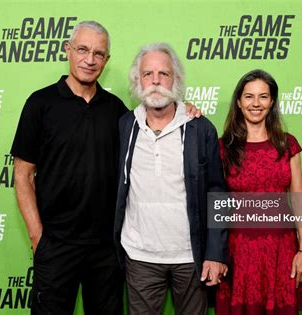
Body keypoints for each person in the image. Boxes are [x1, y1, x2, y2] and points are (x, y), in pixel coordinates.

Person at [11, 21, 201, 315]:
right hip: (56, 245)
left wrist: (186, 109)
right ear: (68, 50)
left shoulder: (118, 112)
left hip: (107, 250)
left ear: (107, 60)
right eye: (83, 50)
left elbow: (158, 119)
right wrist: (38, 237)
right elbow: (23, 176)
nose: (90, 60)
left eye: (99, 53)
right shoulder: (40, 104)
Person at [113, 42, 228, 315]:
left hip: (191, 257)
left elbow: (218, 193)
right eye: (147, 74)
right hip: (140, 256)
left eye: (163, 74)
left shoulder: (200, 128)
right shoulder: (124, 126)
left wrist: (215, 252)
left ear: (176, 79)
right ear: (137, 81)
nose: (155, 81)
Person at [216, 69, 302, 314]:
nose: (256, 103)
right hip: (239, 252)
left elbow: (298, 198)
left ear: (272, 102)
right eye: (249, 97)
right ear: (238, 102)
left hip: (282, 250)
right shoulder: (223, 147)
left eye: (263, 97)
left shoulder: (288, 145)